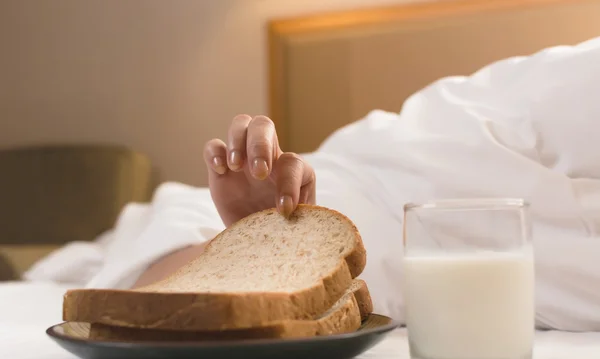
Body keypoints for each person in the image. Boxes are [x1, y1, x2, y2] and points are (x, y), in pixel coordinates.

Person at [26, 37, 600, 332]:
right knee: (151, 282)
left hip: (401, 259)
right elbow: (122, 317)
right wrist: (262, 238)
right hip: (368, 186)